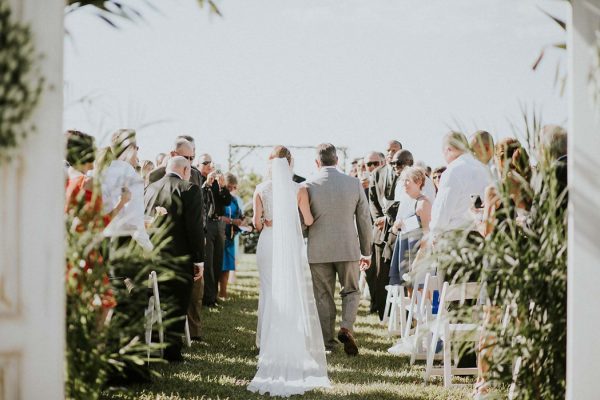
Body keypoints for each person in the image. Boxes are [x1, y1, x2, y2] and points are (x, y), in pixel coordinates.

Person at [248, 146, 331, 396]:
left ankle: (264, 342)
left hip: (268, 242)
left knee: (269, 290)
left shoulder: (261, 189)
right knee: (291, 291)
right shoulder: (300, 189)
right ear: (290, 164)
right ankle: (292, 340)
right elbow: (307, 221)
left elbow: (256, 223)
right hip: (290, 242)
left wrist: (268, 222)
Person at [305, 143, 373, 355]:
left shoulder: (307, 185)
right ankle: (346, 326)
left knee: (323, 296)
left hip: (318, 250)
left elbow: (302, 222)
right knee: (351, 290)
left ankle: (328, 344)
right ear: (337, 160)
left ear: (317, 162)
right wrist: (367, 251)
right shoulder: (353, 184)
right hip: (347, 248)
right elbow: (364, 220)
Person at [144, 156, 204, 362]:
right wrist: (199, 260)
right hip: (179, 258)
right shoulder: (190, 189)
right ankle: (171, 351)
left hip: (150, 258)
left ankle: (152, 342)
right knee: (178, 303)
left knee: (155, 301)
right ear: (186, 170)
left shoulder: (149, 189)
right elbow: (195, 228)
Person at [429, 131, 491, 240]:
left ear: (448, 149)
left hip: (455, 237)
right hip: (479, 236)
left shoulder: (453, 170)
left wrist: (434, 234)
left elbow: (443, 208)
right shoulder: (484, 169)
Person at [100, 128, 152, 250]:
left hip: (101, 240)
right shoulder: (131, 176)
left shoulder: (99, 173)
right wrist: (149, 247)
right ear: (131, 149)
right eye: (137, 148)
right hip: (124, 243)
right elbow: (134, 222)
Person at [368, 140, 402, 316]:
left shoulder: (404, 173)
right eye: (388, 150)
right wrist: (378, 219)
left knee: (394, 272)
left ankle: (397, 310)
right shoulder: (377, 174)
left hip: (397, 228)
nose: (390, 153)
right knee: (378, 272)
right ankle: (381, 310)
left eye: (394, 150)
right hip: (380, 229)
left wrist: (389, 219)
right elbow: (372, 200)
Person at [197, 153, 232, 307]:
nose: (209, 165)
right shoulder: (198, 179)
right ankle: (208, 298)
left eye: (211, 163)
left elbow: (227, 201)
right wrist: (207, 184)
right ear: (199, 164)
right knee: (209, 262)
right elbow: (200, 201)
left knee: (218, 261)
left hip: (219, 223)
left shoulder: (218, 182)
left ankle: (214, 295)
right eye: (205, 162)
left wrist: (223, 186)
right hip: (207, 224)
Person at [389, 167, 432, 286]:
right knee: (407, 291)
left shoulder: (423, 204)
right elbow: (394, 230)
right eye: (403, 180)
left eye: (407, 180)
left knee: (419, 290)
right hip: (403, 250)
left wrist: (418, 259)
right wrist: (396, 225)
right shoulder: (406, 202)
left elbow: (428, 235)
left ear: (418, 182)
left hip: (417, 254)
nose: (404, 184)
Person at [220, 173, 244, 299]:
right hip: (219, 234)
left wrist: (242, 221)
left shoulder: (234, 200)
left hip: (230, 237)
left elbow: (239, 215)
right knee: (217, 265)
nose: (231, 190)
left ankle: (223, 293)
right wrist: (231, 221)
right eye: (229, 187)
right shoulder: (218, 196)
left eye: (233, 188)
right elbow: (215, 216)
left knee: (227, 266)